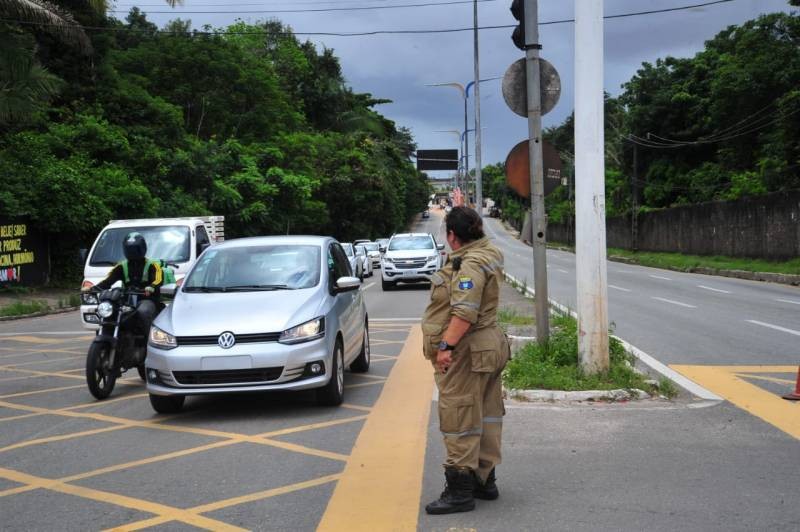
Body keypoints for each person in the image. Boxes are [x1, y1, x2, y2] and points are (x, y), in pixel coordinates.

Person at [422, 206, 511, 515]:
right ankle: (485, 480)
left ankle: (460, 489)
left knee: (459, 415)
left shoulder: (471, 263)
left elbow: (463, 312)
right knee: (486, 414)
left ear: (452, 236)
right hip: (489, 345)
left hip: (468, 350)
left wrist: (445, 346)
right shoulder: (487, 251)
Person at [85, 232, 164, 335]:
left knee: (143, 311)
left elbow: (158, 280)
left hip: (146, 298)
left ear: (142, 248)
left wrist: (151, 287)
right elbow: (108, 281)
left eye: (135, 249)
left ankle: (148, 341)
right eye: (129, 250)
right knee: (112, 310)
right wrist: (93, 288)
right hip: (127, 300)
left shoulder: (152, 265)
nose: (132, 252)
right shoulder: (122, 266)